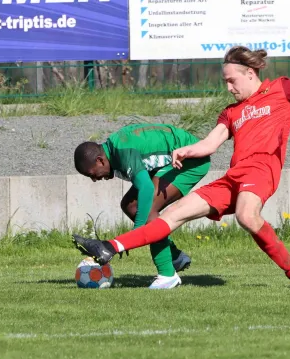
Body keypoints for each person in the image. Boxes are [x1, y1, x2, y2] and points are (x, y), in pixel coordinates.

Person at [72, 45, 290, 288]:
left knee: (247, 216)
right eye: (225, 82)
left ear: (250, 73)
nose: (228, 88)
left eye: (232, 81)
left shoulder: (282, 89)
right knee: (171, 215)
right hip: (233, 177)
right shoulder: (231, 112)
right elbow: (210, 144)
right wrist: (188, 150)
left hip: (262, 171)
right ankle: (109, 247)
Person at [73, 123, 211, 289]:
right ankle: (174, 256)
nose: (95, 179)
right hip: (175, 158)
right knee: (130, 205)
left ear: (100, 160)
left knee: (148, 208)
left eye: (92, 174)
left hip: (192, 160)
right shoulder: (117, 149)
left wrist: (135, 234)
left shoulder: (123, 153)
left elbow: (146, 188)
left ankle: (167, 275)